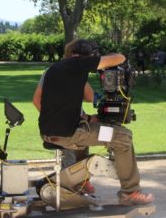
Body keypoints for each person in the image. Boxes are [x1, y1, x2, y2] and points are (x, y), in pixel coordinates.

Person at [36, 38, 154, 206]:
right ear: (86, 56)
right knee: (123, 136)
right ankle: (130, 192)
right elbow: (119, 58)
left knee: (88, 133)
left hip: (50, 132)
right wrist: (104, 58)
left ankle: (79, 184)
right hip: (70, 134)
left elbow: (63, 106)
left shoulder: (55, 68)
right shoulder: (79, 64)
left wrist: (90, 119)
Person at [33, 40, 97, 193]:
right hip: (64, 127)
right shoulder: (56, 72)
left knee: (84, 139)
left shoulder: (51, 71)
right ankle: (68, 190)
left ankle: (82, 180)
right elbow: (90, 97)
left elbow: (90, 98)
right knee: (72, 154)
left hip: (69, 123)